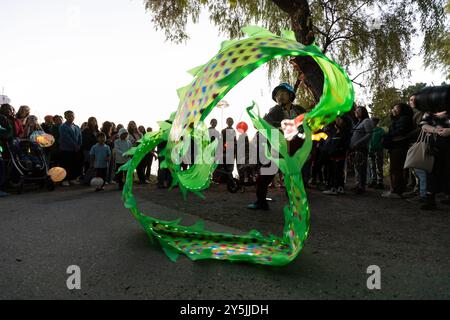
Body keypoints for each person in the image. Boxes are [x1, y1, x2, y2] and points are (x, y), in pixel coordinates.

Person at [248, 83, 306, 210]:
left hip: (295, 150)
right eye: (278, 95)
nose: (280, 96)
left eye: (283, 93)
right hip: (277, 150)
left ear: (291, 95)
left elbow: (308, 125)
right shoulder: (275, 111)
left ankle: (296, 206)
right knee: (264, 177)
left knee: (293, 178)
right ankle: (261, 202)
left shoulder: (299, 110)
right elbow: (260, 125)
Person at [381, 103, 414, 199]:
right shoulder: (398, 119)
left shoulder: (404, 119)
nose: (393, 110)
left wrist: (387, 137)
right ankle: (395, 189)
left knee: (396, 169)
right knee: (396, 169)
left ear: (402, 109)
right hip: (396, 146)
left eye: (396, 108)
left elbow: (399, 132)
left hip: (399, 147)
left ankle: (397, 191)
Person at [419, 111, 450, 210]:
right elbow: (423, 125)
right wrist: (435, 130)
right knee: (431, 171)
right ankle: (430, 201)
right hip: (434, 147)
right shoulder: (429, 110)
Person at [322, 117, 351, 195]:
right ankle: (338, 187)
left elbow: (344, 144)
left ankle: (335, 188)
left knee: (337, 171)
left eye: (340, 119)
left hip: (338, 154)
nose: (337, 120)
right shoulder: (334, 131)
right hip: (334, 154)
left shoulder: (344, 132)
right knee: (335, 171)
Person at [349, 106, 373, 194]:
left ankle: (362, 187)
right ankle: (358, 184)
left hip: (362, 148)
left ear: (364, 112)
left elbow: (369, 134)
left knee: (361, 168)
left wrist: (358, 142)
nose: (356, 112)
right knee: (357, 167)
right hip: (356, 149)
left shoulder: (366, 121)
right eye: (356, 111)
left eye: (359, 111)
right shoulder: (359, 122)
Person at [59, 110, 82, 186]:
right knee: (66, 164)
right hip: (66, 149)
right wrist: (75, 145)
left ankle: (72, 178)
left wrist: (79, 145)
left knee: (74, 164)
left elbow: (80, 137)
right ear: (65, 117)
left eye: (72, 115)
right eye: (69, 116)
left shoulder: (76, 126)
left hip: (75, 150)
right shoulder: (63, 126)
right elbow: (66, 138)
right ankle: (64, 180)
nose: (71, 117)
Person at [368, 117, 385, 189]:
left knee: (378, 166)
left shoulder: (381, 130)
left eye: (373, 122)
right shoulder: (369, 131)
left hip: (378, 150)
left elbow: (383, 139)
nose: (371, 123)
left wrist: (379, 145)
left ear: (376, 122)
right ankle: (373, 180)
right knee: (372, 166)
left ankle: (380, 182)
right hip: (370, 150)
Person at [81, 117, 99, 183]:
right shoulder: (86, 130)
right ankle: (87, 180)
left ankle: (93, 179)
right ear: (89, 122)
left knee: (94, 165)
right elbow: (86, 140)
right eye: (92, 121)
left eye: (95, 121)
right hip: (88, 149)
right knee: (88, 165)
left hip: (96, 150)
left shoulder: (97, 130)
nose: (94, 122)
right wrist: (95, 138)